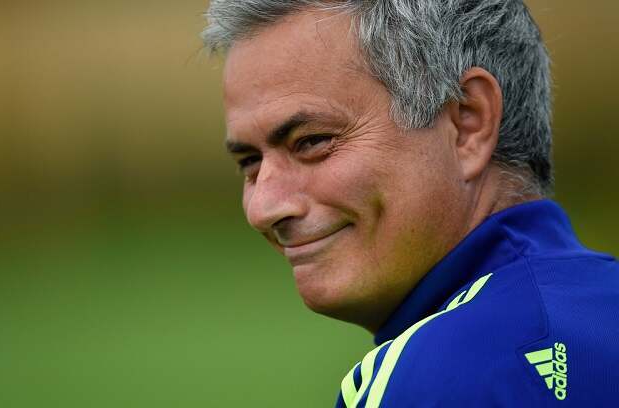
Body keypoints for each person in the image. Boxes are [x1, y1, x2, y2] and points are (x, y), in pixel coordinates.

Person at [202, 1, 619, 406]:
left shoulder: (444, 376)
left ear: (468, 124)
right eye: (250, 162)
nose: (263, 208)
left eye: (312, 141)